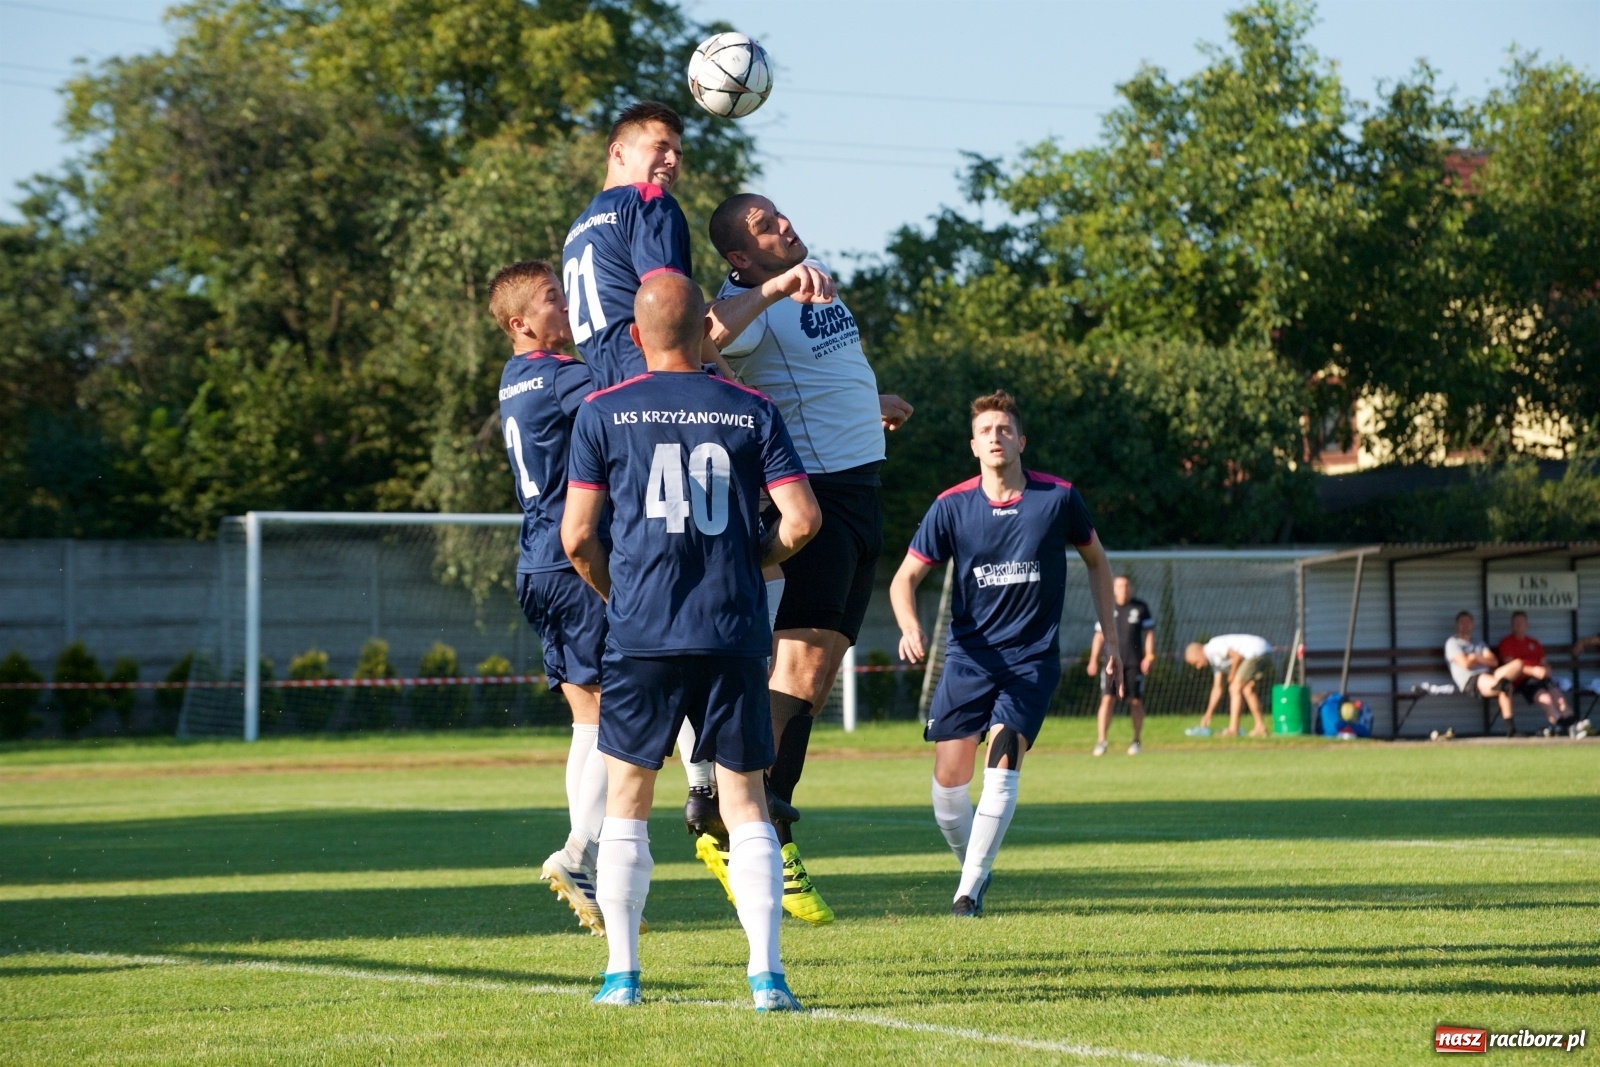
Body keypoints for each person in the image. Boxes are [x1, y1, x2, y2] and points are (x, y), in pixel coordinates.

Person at [560, 272, 821, 1009]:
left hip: (642, 632)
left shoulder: (601, 411)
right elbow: (803, 520)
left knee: (628, 799)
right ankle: (767, 977)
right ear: (708, 331)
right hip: (731, 627)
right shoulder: (751, 408)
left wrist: (619, 594)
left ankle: (622, 977)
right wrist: (752, 561)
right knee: (745, 799)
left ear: (635, 336)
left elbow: (577, 538)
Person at [675, 193, 916, 925]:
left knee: (814, 679)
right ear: (740, 257)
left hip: (861, 489)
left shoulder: (814, 281)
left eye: (778, 215)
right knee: (798, 670)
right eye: (764, 227)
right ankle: (740, 816)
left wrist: (875, 402)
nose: (783, 225)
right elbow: (700, 335)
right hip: (817, 491)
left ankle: (759, 811)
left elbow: (818, 373)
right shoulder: (752, 298)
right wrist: (774, 287)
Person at [889, 390, 1118, 918]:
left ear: (1021, 441)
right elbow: (904, 580)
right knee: (949, 791)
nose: (995, 437)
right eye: (985, 431)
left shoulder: (1058, 498)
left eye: (1004, 429)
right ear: (973, 446)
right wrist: (909, 626)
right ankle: (975, 868)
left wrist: (1112, 638)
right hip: (968, 660)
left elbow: (1097, 562)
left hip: (1030, 660)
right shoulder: (951, 506)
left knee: (1003, 756)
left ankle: (967, 894)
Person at [490, 261, 609, 934]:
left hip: (537, 562)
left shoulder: (514, 379)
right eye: (552, 299)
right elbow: (630, 394)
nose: (566, 307)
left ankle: (587, 857)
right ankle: (580, 851)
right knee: (618, 714)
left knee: (587, 718)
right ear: (520, 323)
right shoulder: (565, 376)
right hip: (575, 561)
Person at [561, 101, 833, 390]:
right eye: (660, 147)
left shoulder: (577, 230)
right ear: (618, 153)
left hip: (608, 397)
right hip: (657, 388)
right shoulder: (646, 200)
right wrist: (733, 386)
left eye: (677, 153)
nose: (672, 160)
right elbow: (675, 309)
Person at [1085, 575, 1155, 756]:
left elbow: (1149, 633)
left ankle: (1136, 741)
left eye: (1126, 585)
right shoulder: (1107, 607)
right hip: (1111, 664)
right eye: (1119, 586)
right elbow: (1099, 635)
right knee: (1107, 699)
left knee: (1135, 701)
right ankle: (1101, 742)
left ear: (1131, 588)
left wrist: (1149, 656)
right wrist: (1093, 659)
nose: (1123, 589)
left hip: (1133, 663)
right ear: (1113, 589)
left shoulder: (1140, 607)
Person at [1444, 611, 1520, 736]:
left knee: (1517, 664)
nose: (1465, 625)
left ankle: (1500, 684)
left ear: (1473, 624)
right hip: (1470, 680)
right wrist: (1481, 659)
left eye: (1468, 622)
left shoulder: (1478, 642)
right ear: (1457, 625)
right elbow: (1466, 664)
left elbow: (1494, 661)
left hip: (1489, 676)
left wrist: (1475, 657)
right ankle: (1511, 728)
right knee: (1506, 687)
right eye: (1462, 622)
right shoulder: (1452, 643)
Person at [1183, 634, 1273, 737]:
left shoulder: (1212, 648)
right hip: (1263, 651)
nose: (1198, 667)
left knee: (1234, 688)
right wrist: (1208, 714)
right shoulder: (1214, 662)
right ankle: (1260, 727)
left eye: (1196, 663)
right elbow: (1217, 688)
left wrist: (1232, 675)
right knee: (1247, 689)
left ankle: (1233, 729)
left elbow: (1237, 657)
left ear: (1197, 653)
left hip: (1256, 651)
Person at [1496, 610, 1572, 730]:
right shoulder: (1507, 642)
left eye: (1521, 622)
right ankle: (1564, 726)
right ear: (1512, 624)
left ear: (1527, 624)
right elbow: (1510, 666)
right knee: (1546, 698)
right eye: (1516, 622)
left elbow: (1544, 662)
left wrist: (1546, 670)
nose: (1518, 625)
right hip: (1522, 680)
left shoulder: (1534, 643)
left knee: (1559, 697)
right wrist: (1533, 671)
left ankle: (1573, 722)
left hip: (1540, 678)